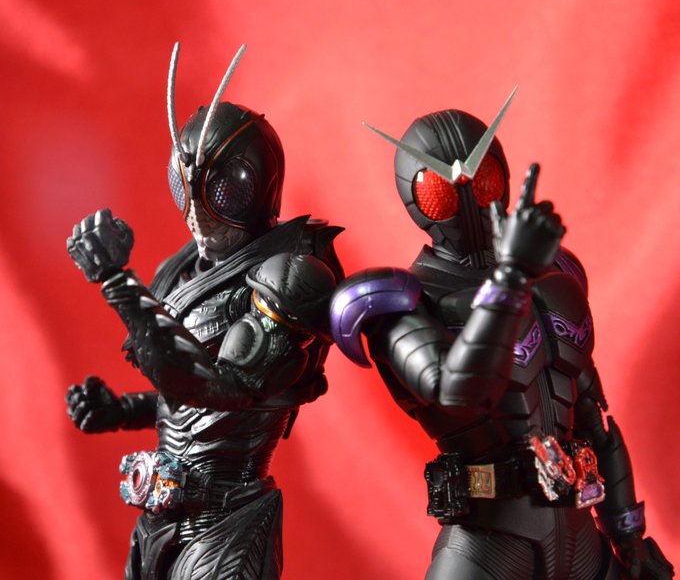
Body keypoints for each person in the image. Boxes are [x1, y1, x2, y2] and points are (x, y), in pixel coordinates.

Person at [330, 102, 673, 579]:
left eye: (484, 177)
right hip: (489, 546)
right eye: (439, 190)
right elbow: (456, 391)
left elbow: (594, 422)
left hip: (581, 541)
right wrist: (510, 277)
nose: (467, 193)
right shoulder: (399, 302)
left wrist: (629, 536)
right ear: (413, 198)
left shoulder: (557, 277)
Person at [65, 44, 343, 580]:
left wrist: (119, 284)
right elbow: (186, 405)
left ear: (258, 187)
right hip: (159, 516)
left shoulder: (292, 275)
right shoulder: (181, 271)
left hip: (227, 522)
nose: (197, 208)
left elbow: (223, 389)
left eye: (221, 188)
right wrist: (122, 411)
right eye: (185, 184)